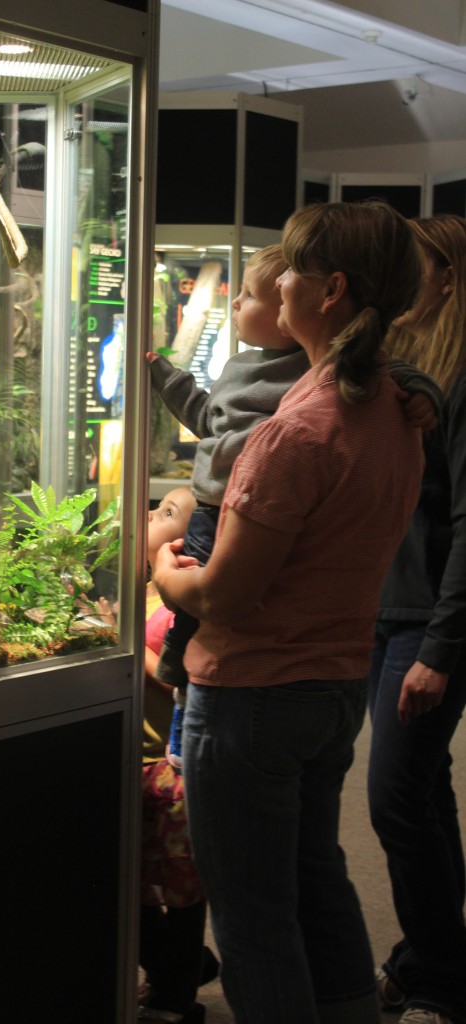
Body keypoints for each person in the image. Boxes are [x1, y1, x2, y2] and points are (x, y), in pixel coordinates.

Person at [152, 200, 426, 1024]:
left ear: (330, 290)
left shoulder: (296, 434)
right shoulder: (397, 410)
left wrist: (160, 565)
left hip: (251, 697)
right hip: (334, 684)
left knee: (252, 917)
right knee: (315, 877)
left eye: (293, 272)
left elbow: (222, 595)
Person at [148, 244, 439, 771]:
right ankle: (178, 687)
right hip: (223, 511)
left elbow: (400, 372)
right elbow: (208, 416)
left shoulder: (314, 393)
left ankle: (180, 692)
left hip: (262, 661)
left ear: (323, 298)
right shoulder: (242, 368)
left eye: (253, 295)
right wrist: (164, 377)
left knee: (203, 603)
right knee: (187, 629)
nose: (237, 304)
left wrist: (164, 575)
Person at [367, 215, 466, 1024]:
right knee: (422, 793)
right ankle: (434, 959)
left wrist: (439, 645)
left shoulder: (461, 380)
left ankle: (434, 974)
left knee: (394, 797)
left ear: (448, 280)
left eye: (414, 268)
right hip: (385, 612)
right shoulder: (407, 370)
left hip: (428, 624)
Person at [139, 486, 219, 1024]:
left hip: (174, 770)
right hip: (141, 765)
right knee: (139, 879)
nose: (149, 514)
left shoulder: (180, 601)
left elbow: (181, 679)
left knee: (181, 884)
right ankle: (181, 967)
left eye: (166, 512)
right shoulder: (146, 592)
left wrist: (130, 650)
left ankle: (176, 991)